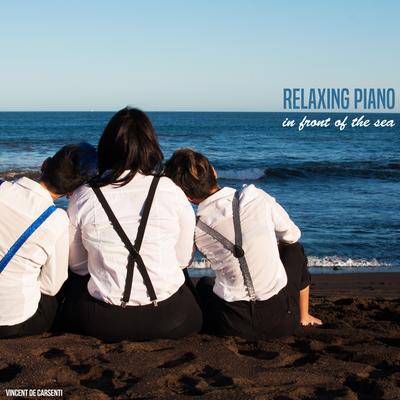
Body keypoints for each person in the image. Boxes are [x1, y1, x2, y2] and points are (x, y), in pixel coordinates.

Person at [63, 107, 202, 342]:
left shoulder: (84, 195)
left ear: (105, 147)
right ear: (151, 146)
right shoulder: (170, 190)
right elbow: (182, 260)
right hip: (172, 319)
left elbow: (78, 267)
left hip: (103, 322)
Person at [164, 148, 322, 340]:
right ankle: (304, 316)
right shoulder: (255, 198)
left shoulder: (196, 225)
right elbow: (292, 235)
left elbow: (183, 262)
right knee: (294, 249)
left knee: (205, 284)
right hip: (281, 322)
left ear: (187, 197)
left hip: (232, 326)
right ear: (213, 171)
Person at [0, 143, 97, 339]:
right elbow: (51, 286)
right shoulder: (56, 221)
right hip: (12, 321)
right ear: (72, 192)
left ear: (45, 163)